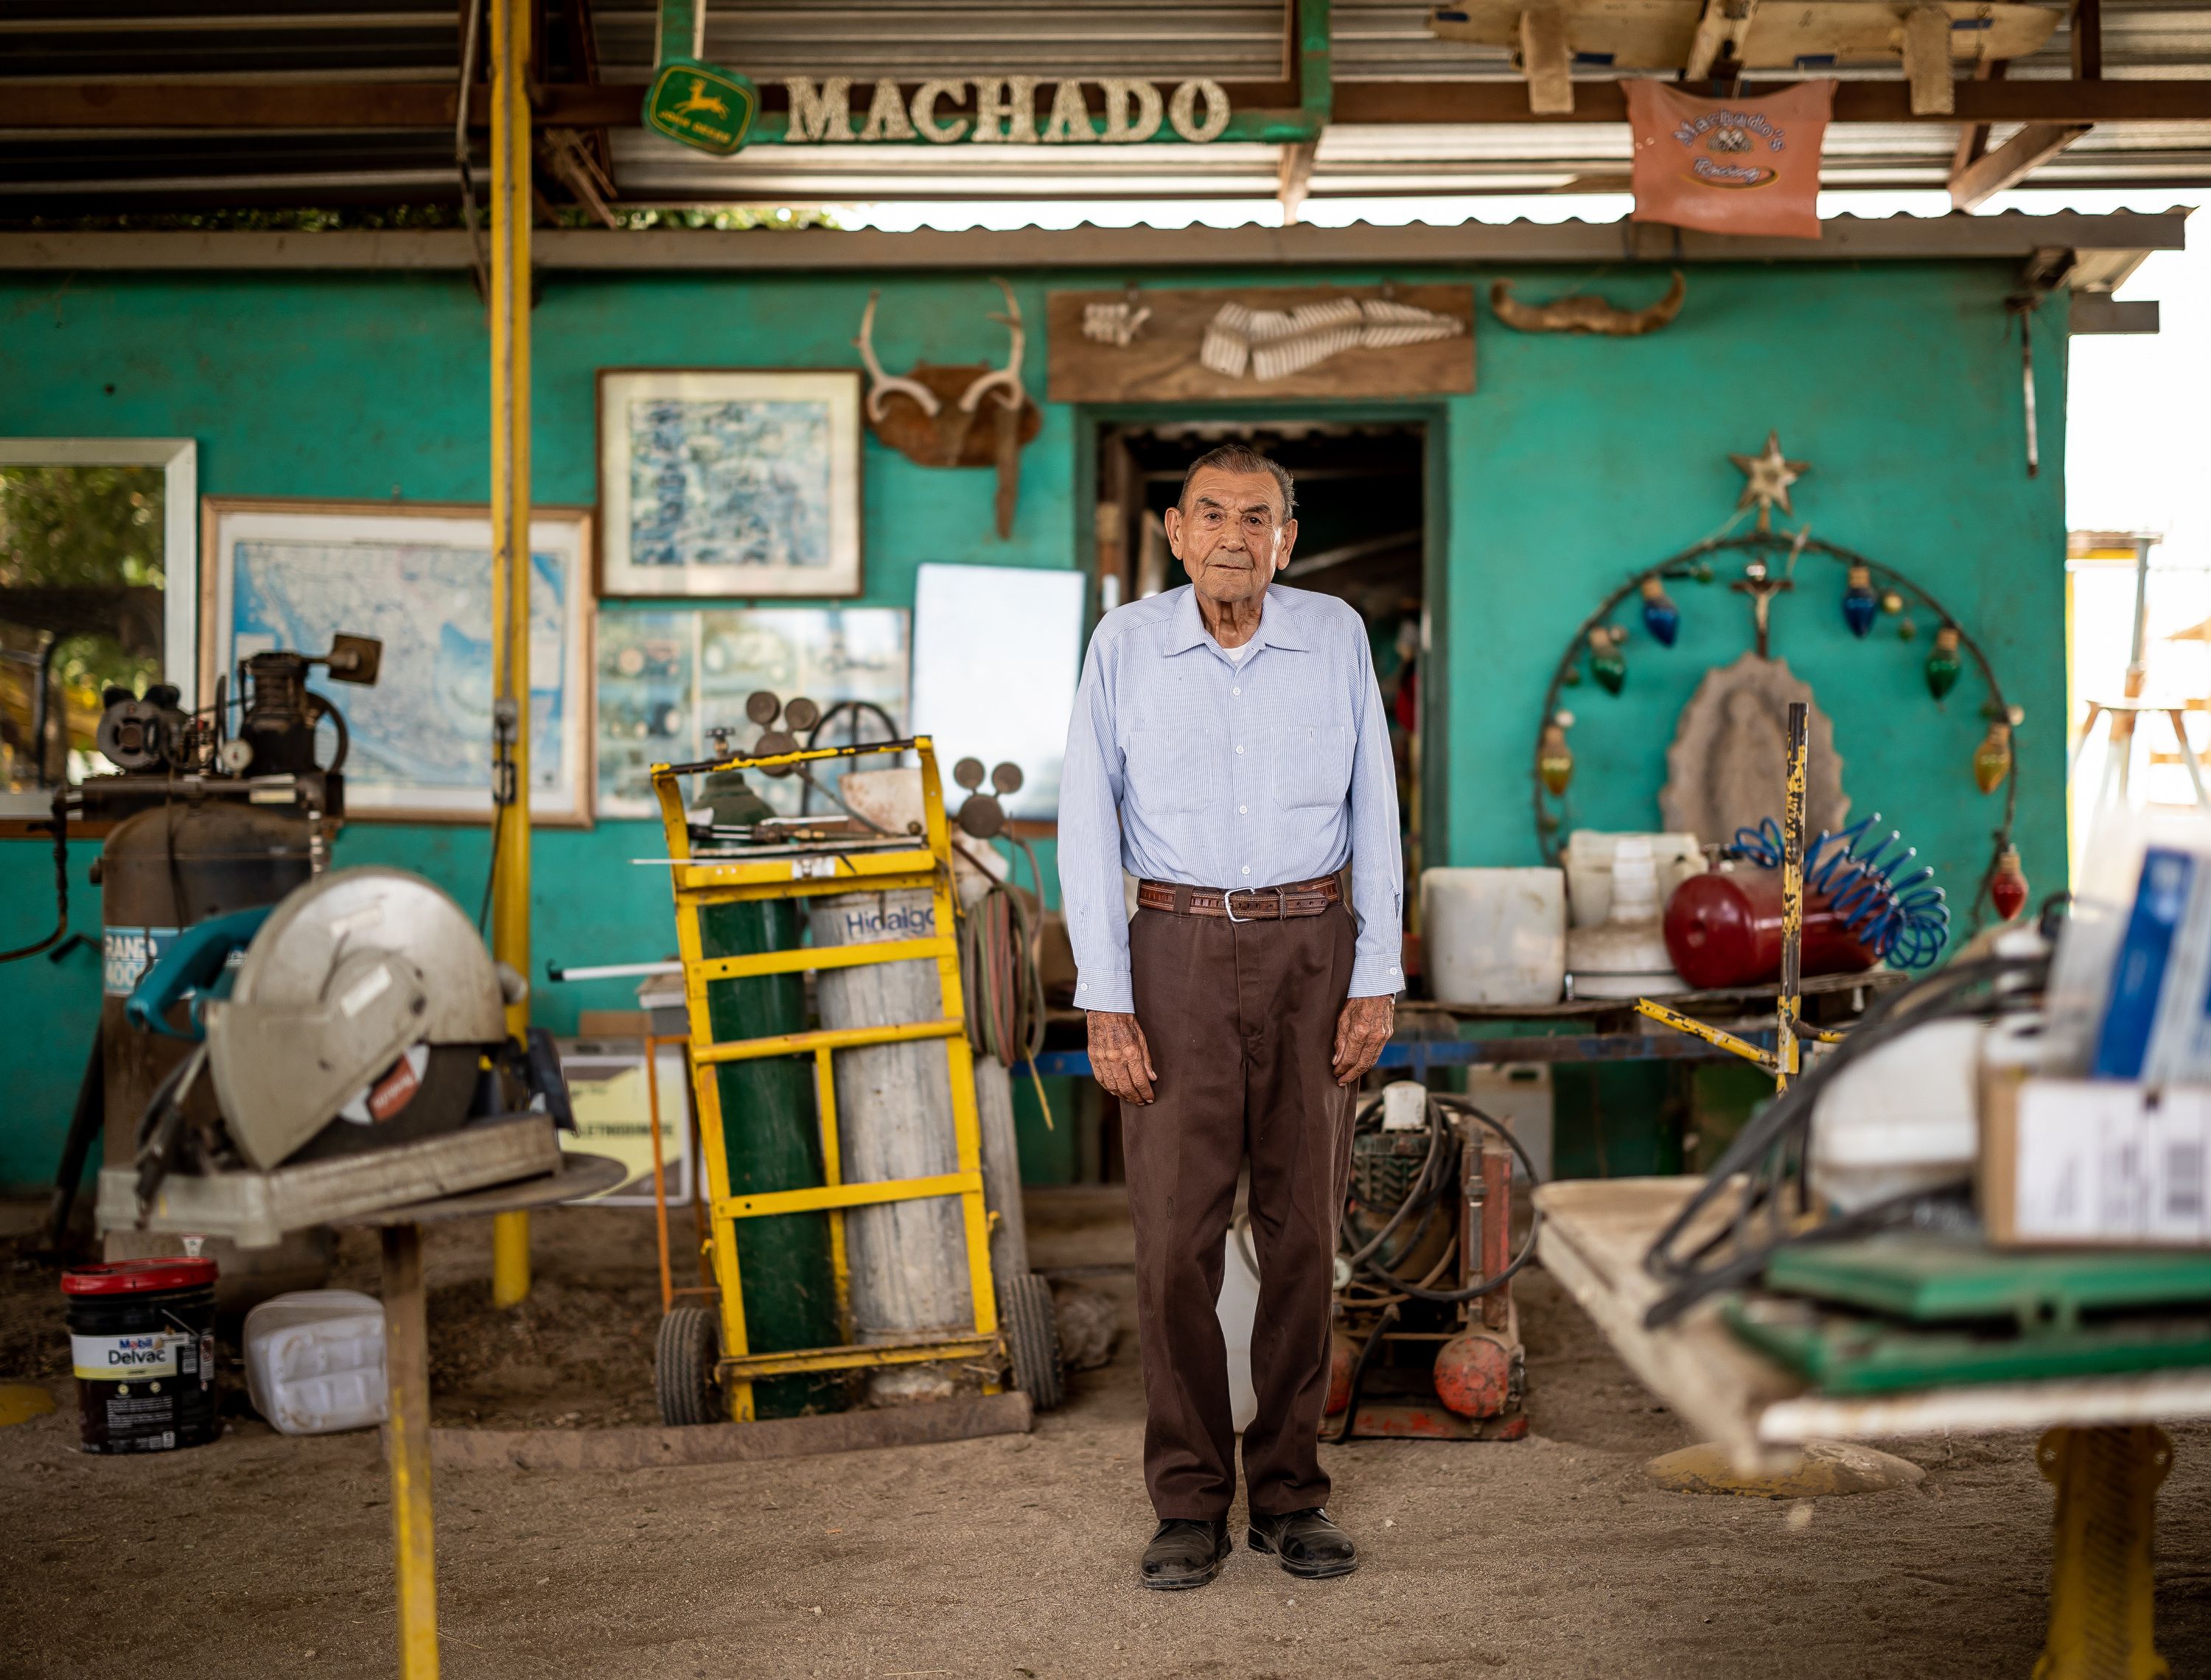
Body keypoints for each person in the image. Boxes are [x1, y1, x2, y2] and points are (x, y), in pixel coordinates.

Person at [1058, 442, 1403, 1590]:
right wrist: (1107, 999)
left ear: (1287, 539)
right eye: (1211, 514)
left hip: (1315, 946)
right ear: (1174, 532)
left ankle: (1292, 1495)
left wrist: (1377, 972)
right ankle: (1192, 1502)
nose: (1234, 536)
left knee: (1304, 1233)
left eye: (1258, 517)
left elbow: (1378, 811)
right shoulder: (1125, 647)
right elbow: (1086, 829)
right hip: (1174, 954)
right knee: (1173, 1245)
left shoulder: (1336, 638)